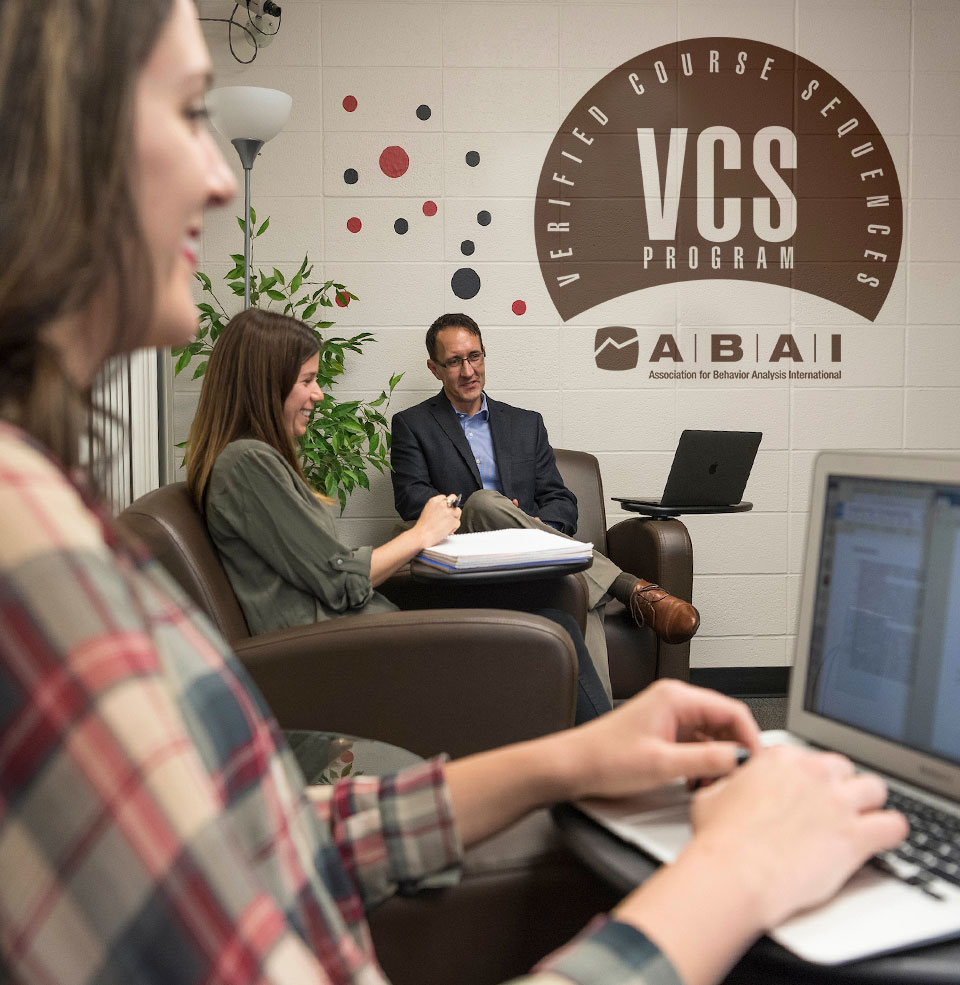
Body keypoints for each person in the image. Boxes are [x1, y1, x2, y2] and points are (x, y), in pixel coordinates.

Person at [0, 3, 908, 985]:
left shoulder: (61, 519)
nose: (222, 177)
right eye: (188, 112)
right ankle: (619, 599)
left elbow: (259, 836)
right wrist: (735, 874)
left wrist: (569, 761)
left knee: (542, 571)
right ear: (64, 145)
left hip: (484, 585)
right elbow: (359, 573)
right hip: (399, 614)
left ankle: (598, 637)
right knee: (488, 519)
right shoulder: (32, 552)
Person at [185, 307, 611, 723]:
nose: (318, 394)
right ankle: (606, 765)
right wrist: (421, 534)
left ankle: (593, 770)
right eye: (307, 381)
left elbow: (320, 569)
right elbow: (340, 581)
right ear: (266, 385)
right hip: (342, 651)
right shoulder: (249, 464)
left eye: (475, 356)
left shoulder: (248, 462)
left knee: (554, 616)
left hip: (364, 633)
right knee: (553, 633)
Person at [391, 313, 699, 697]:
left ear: (485, 355)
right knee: (486, 502)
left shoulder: (525, 424)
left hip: (530, 556)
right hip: (466, 555)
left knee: (577, 591)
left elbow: (561, 500)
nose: (468, 370)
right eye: (454, 362)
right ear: (434, 368)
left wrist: (530, 522)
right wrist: (486, 511)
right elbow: (411, 498)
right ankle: (628, 587)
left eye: (475, 357)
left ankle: (597, 733)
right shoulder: (412, 425)